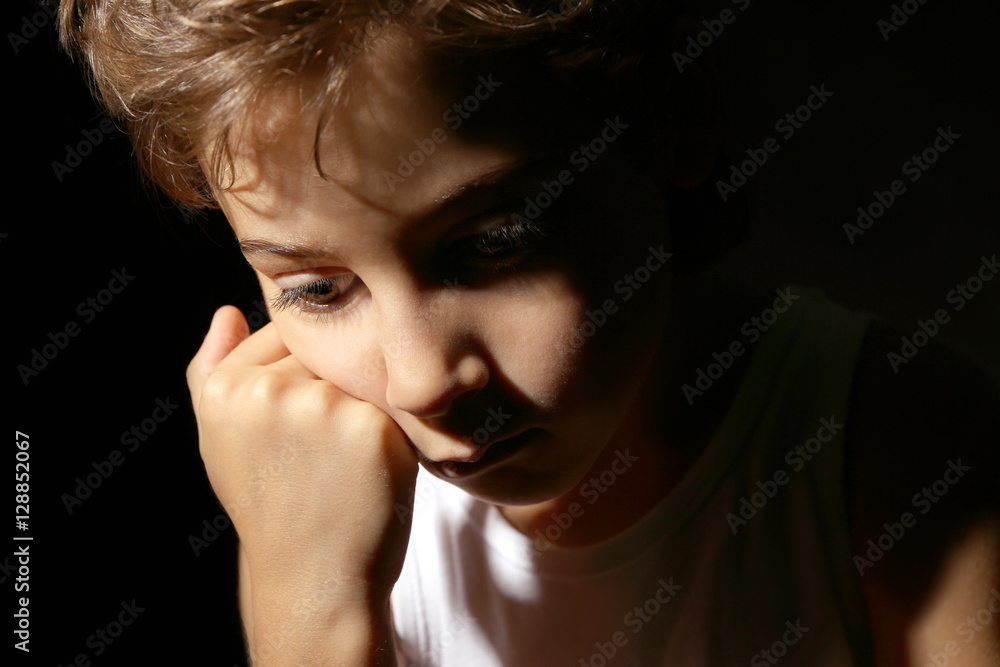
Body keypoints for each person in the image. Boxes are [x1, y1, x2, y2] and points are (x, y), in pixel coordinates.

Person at [58, 1, 998, 664]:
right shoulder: (315, 491)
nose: (422, 379)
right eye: (316, 288)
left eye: (493, 243)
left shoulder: (890, 448)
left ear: (673, 124)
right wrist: (313, 610)